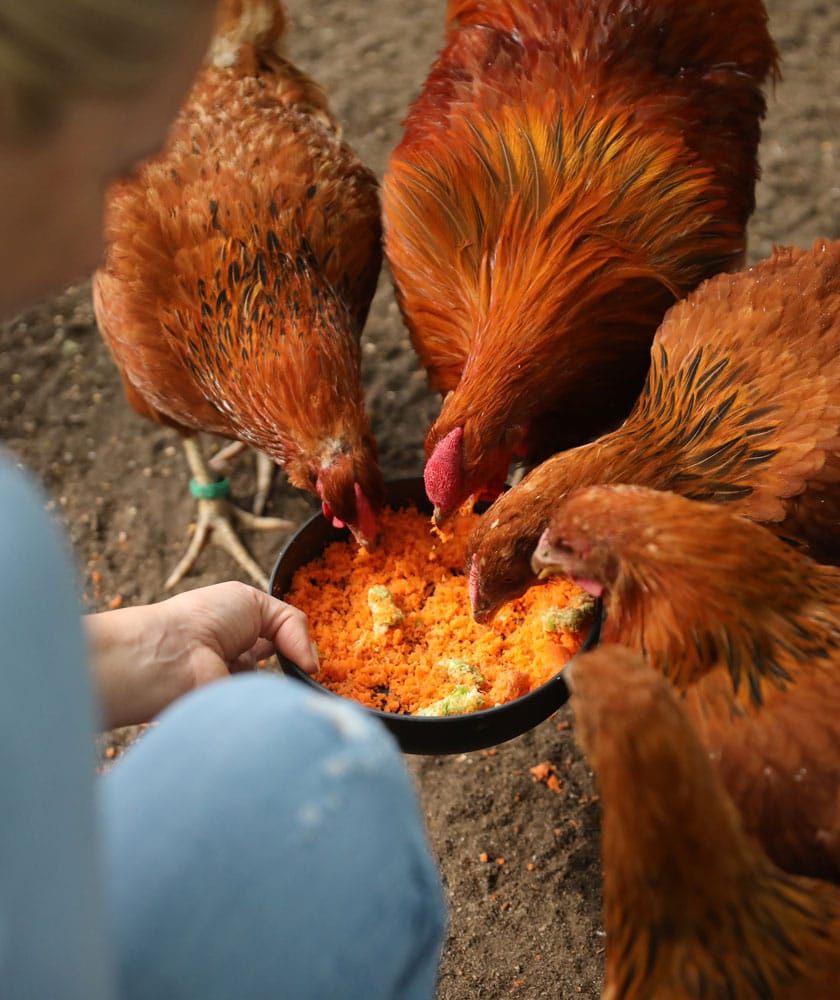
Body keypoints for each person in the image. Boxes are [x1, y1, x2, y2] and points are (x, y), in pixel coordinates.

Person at [0, 3, 446, 998]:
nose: (93, 247)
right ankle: (209, 482)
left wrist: (137, 650)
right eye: (111, 160)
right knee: (325, 763)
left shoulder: (338, 232)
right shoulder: (11, 537)